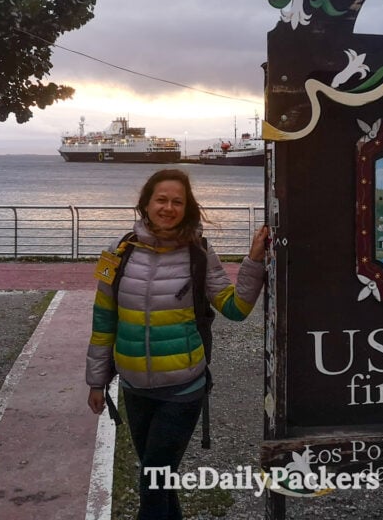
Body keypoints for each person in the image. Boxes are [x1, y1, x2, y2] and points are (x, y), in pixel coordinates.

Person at [86, 168, 267, 520]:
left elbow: (235, 307)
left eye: (177, 202)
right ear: (146, 203)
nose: (168, 207)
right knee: (159, 478)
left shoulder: (198, 253)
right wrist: (97, 381)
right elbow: (104, 319)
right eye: (161, 199)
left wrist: (254, 260)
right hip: (134, 386)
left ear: (187, 208)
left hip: (182, 388)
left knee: (152, 479)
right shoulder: (118, 252)